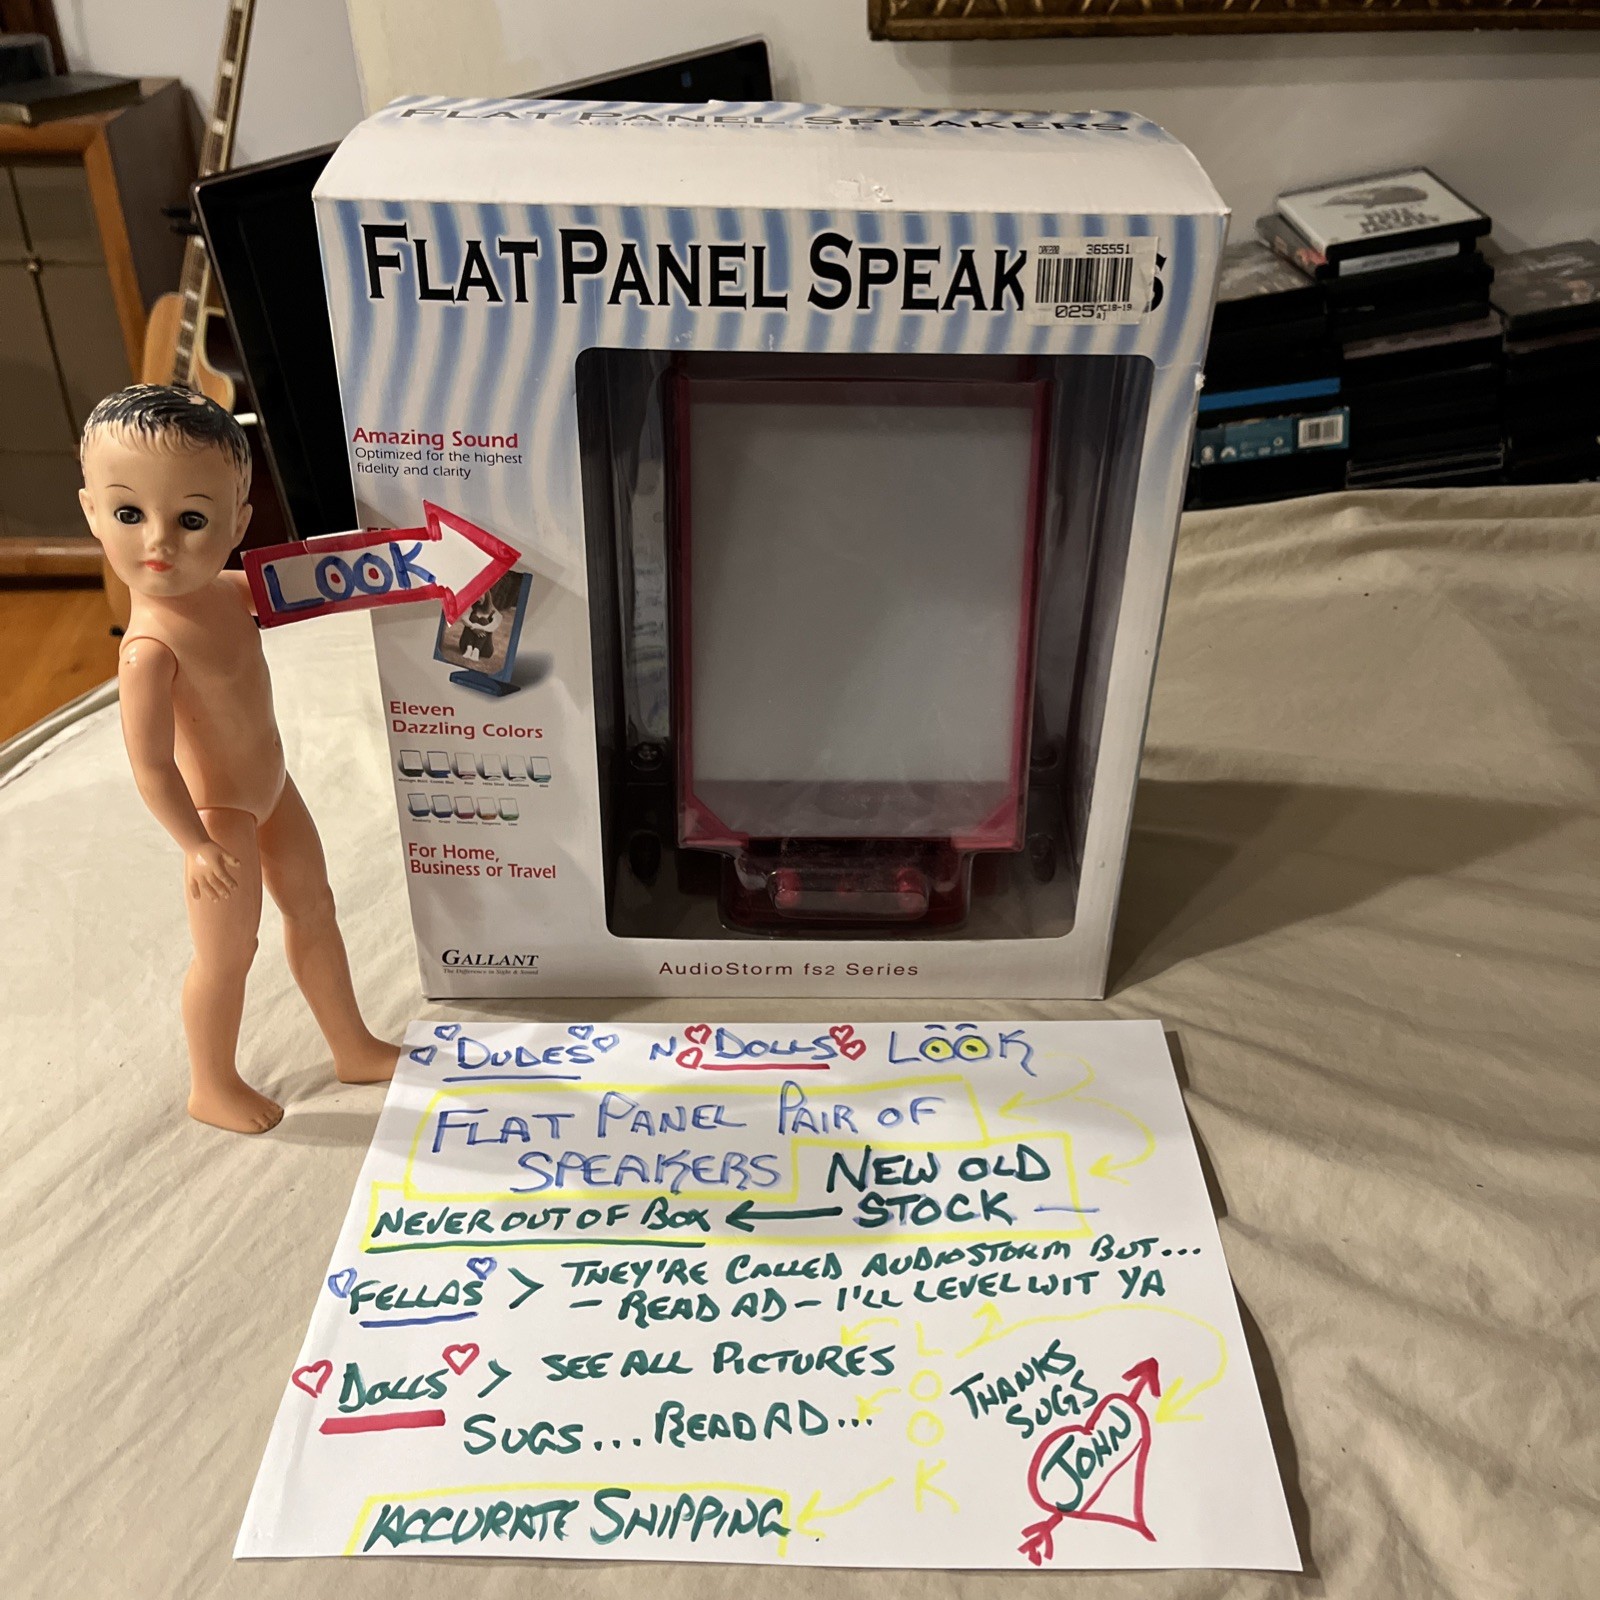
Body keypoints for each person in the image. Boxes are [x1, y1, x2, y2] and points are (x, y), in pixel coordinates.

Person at [79, 385, 397, 1133]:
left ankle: (351, 1045)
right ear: (92, 511)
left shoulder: (233, 591)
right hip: (218, 815)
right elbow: (152, 766)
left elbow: (329, 578)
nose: (159, 542)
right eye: (129, 513)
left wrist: (414, 563)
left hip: (275, 790)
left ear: (238, 523)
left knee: (315, 908)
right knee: (228, 954)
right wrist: (192, 843)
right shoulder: (148, 652)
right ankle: (212, 1083)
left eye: (192, 520)